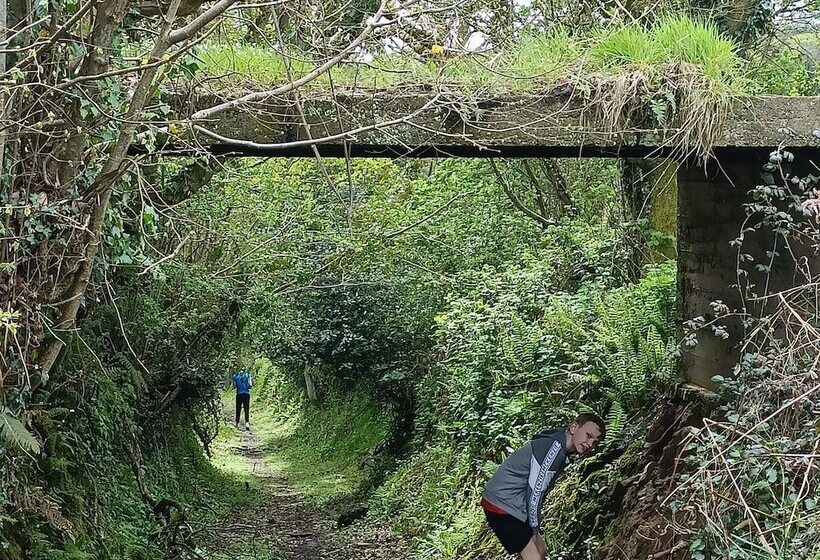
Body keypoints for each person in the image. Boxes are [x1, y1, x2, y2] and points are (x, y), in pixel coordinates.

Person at [481, 413, 605, 560]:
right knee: (534, 556)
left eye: (595, 442)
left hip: (511, 503)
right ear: (573, 427)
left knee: (540, 549)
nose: (590, 444)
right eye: (588, 435)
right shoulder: (553, 450)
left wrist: (534, 530)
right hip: (502, 503)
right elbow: (536, 492)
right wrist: (534, 529)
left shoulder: (559, 444)